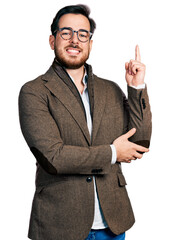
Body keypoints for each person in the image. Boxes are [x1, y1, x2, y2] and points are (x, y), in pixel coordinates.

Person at [19, 4, 152, 240]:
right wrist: (112, 153)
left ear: (90, 43)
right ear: (52, 41)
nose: (74, 40)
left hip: (112, 224)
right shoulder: (34, 92)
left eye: (83, 34)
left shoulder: (111, 89)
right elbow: (53, 158)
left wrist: (136, 87)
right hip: (59, 224)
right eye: (66, 32)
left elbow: (139, 141)